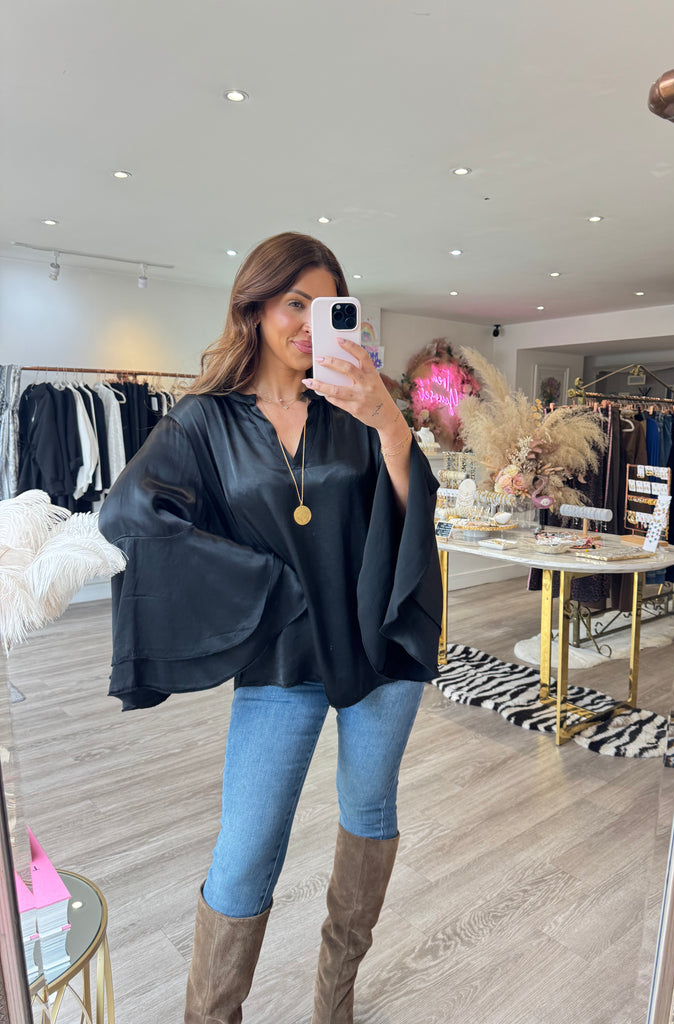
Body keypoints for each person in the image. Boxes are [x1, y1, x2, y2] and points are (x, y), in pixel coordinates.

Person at [98, 231, 443, 1023]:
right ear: (254, 308)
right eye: (295, 304)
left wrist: (390, 425)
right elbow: (129, 514)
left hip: (377, 646)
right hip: (284, 654)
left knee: (369, 812)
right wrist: (266, 587)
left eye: (327, 308)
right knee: (245, 851)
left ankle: (335, 998)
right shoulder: (204, 421)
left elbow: (408, 516)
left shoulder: (357, 406)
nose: (310, 324)